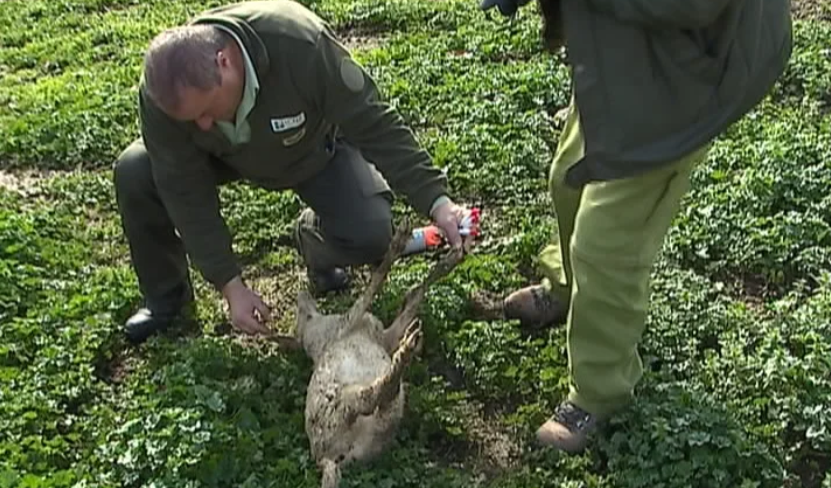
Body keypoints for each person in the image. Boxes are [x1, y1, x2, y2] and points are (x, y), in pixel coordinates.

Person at [481, 0, 793, 453]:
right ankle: (568, 287)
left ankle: (598, 391)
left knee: (605, 244)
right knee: (567, 177)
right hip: (626, 60)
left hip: (683, 83)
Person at [114, 0, 469, 344]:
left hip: (310, 148)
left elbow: (374, 123)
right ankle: (167, 302)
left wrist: (437, 202)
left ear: (224, 63)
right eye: (191, 120)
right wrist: (230, 285)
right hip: (220, 157)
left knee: (371, 233)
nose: (203, 124)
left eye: (206, 109)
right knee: (135, 170)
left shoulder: (300, 44)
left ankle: (311, 238)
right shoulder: (164, 92)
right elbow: (183, 188)